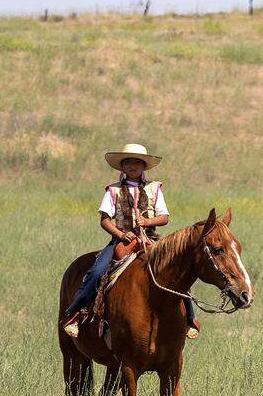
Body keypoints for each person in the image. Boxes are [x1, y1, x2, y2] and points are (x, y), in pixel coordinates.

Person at [61, 143, 199, 338]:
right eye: (128, 162)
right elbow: (105, 221)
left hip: (150, 239)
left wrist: (148, 221)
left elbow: (165, 217)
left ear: (143, 166)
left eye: (137, 162)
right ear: (122, 167)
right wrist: (120, 234)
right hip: (121, 240)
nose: (133, 166)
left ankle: (189, 319)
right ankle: (73, 314)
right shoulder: (113, 190)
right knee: (97, 271)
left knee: (177, 270)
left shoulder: (154, 188)